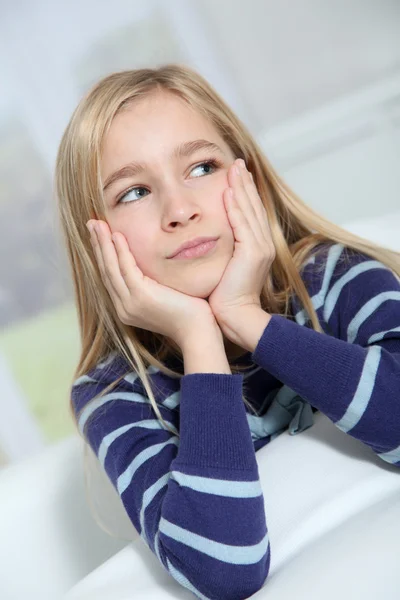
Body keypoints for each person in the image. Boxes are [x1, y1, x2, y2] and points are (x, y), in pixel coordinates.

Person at [55, 64, 400, 600]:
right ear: (94, 243)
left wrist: (247, 316)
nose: (180, 210)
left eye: (200, 167)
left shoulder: (332, 276)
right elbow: (224, 569)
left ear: (249, 177)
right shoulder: (113, 393)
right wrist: (200, 338)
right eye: (134, 192)